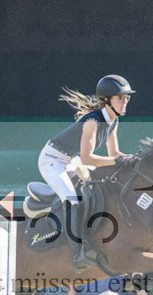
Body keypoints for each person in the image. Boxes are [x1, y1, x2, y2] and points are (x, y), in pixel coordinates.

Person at [38, 75, 136, 271]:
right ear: (107, 99)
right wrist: (118, 160)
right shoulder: (92, 121)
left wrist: (133, 160)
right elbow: (88, 159)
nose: (125, 102)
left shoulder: (113, 121)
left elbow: (114, 153)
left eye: (127, 98)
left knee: (94, 191)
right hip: (53, 160)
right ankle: (78, 254)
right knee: (72, 199)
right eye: (120, 98)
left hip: (71, 160)